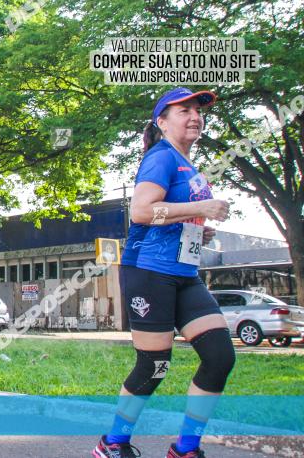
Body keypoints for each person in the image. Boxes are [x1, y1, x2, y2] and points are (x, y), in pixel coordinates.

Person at [93, 88, 235, 458]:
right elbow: (141, 211)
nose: (194, 116)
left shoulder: (187, 164)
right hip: (149, 272)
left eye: (198, 111)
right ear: (162, 122)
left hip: (184, 274)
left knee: (220, 357)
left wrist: (197, 225)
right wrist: (203, 204)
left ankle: (185, 448)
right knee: (153, 365)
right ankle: (113, 444)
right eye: (183, 110)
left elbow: (169, 214)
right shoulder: (162, 158)